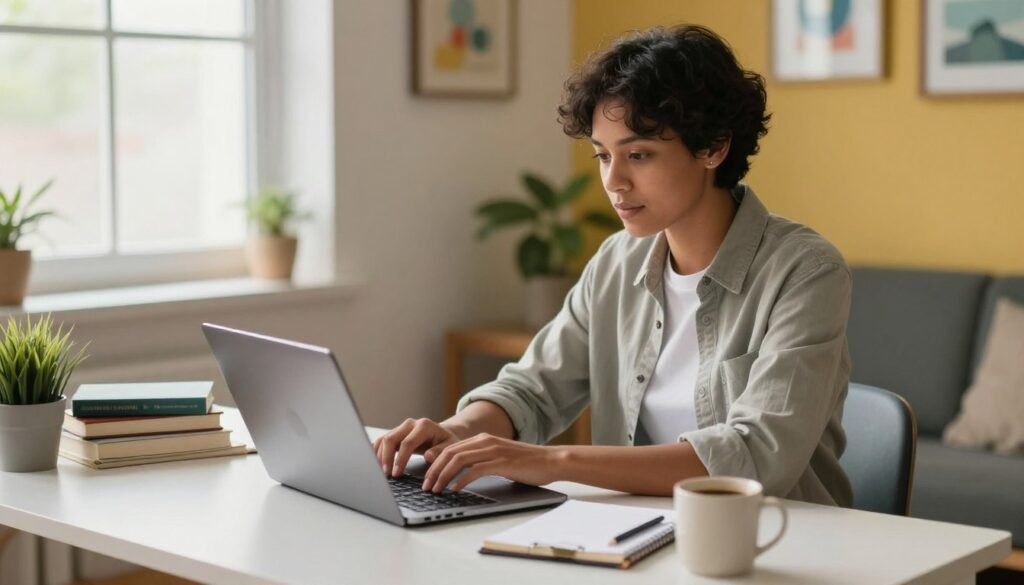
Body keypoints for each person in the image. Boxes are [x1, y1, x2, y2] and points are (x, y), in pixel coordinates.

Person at [374, 24, 853, 506]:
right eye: (603, 155)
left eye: (638, 155)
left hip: (776, 541)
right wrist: (457, 433)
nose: (613, 181)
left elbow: (754, 454)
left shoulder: (805, 272)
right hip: (636, 534)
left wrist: (552, 462)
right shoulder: (616, 261)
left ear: (713, 147)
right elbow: (533, 388)